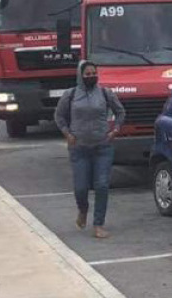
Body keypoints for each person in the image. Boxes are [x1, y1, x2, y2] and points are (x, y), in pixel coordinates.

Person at [53, 60, 126, 239]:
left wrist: (115, 130)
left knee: (101, 185)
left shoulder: (105, 93)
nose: (92, 76)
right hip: (79, 149)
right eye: (88, 74)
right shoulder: (70, 95)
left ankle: (98, 224)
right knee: (81, 188)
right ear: (80, 75)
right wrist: (67, 134)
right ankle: (83, 210)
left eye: (94, 73)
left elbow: (120, 112)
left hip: (103, 147)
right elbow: (59, 116)